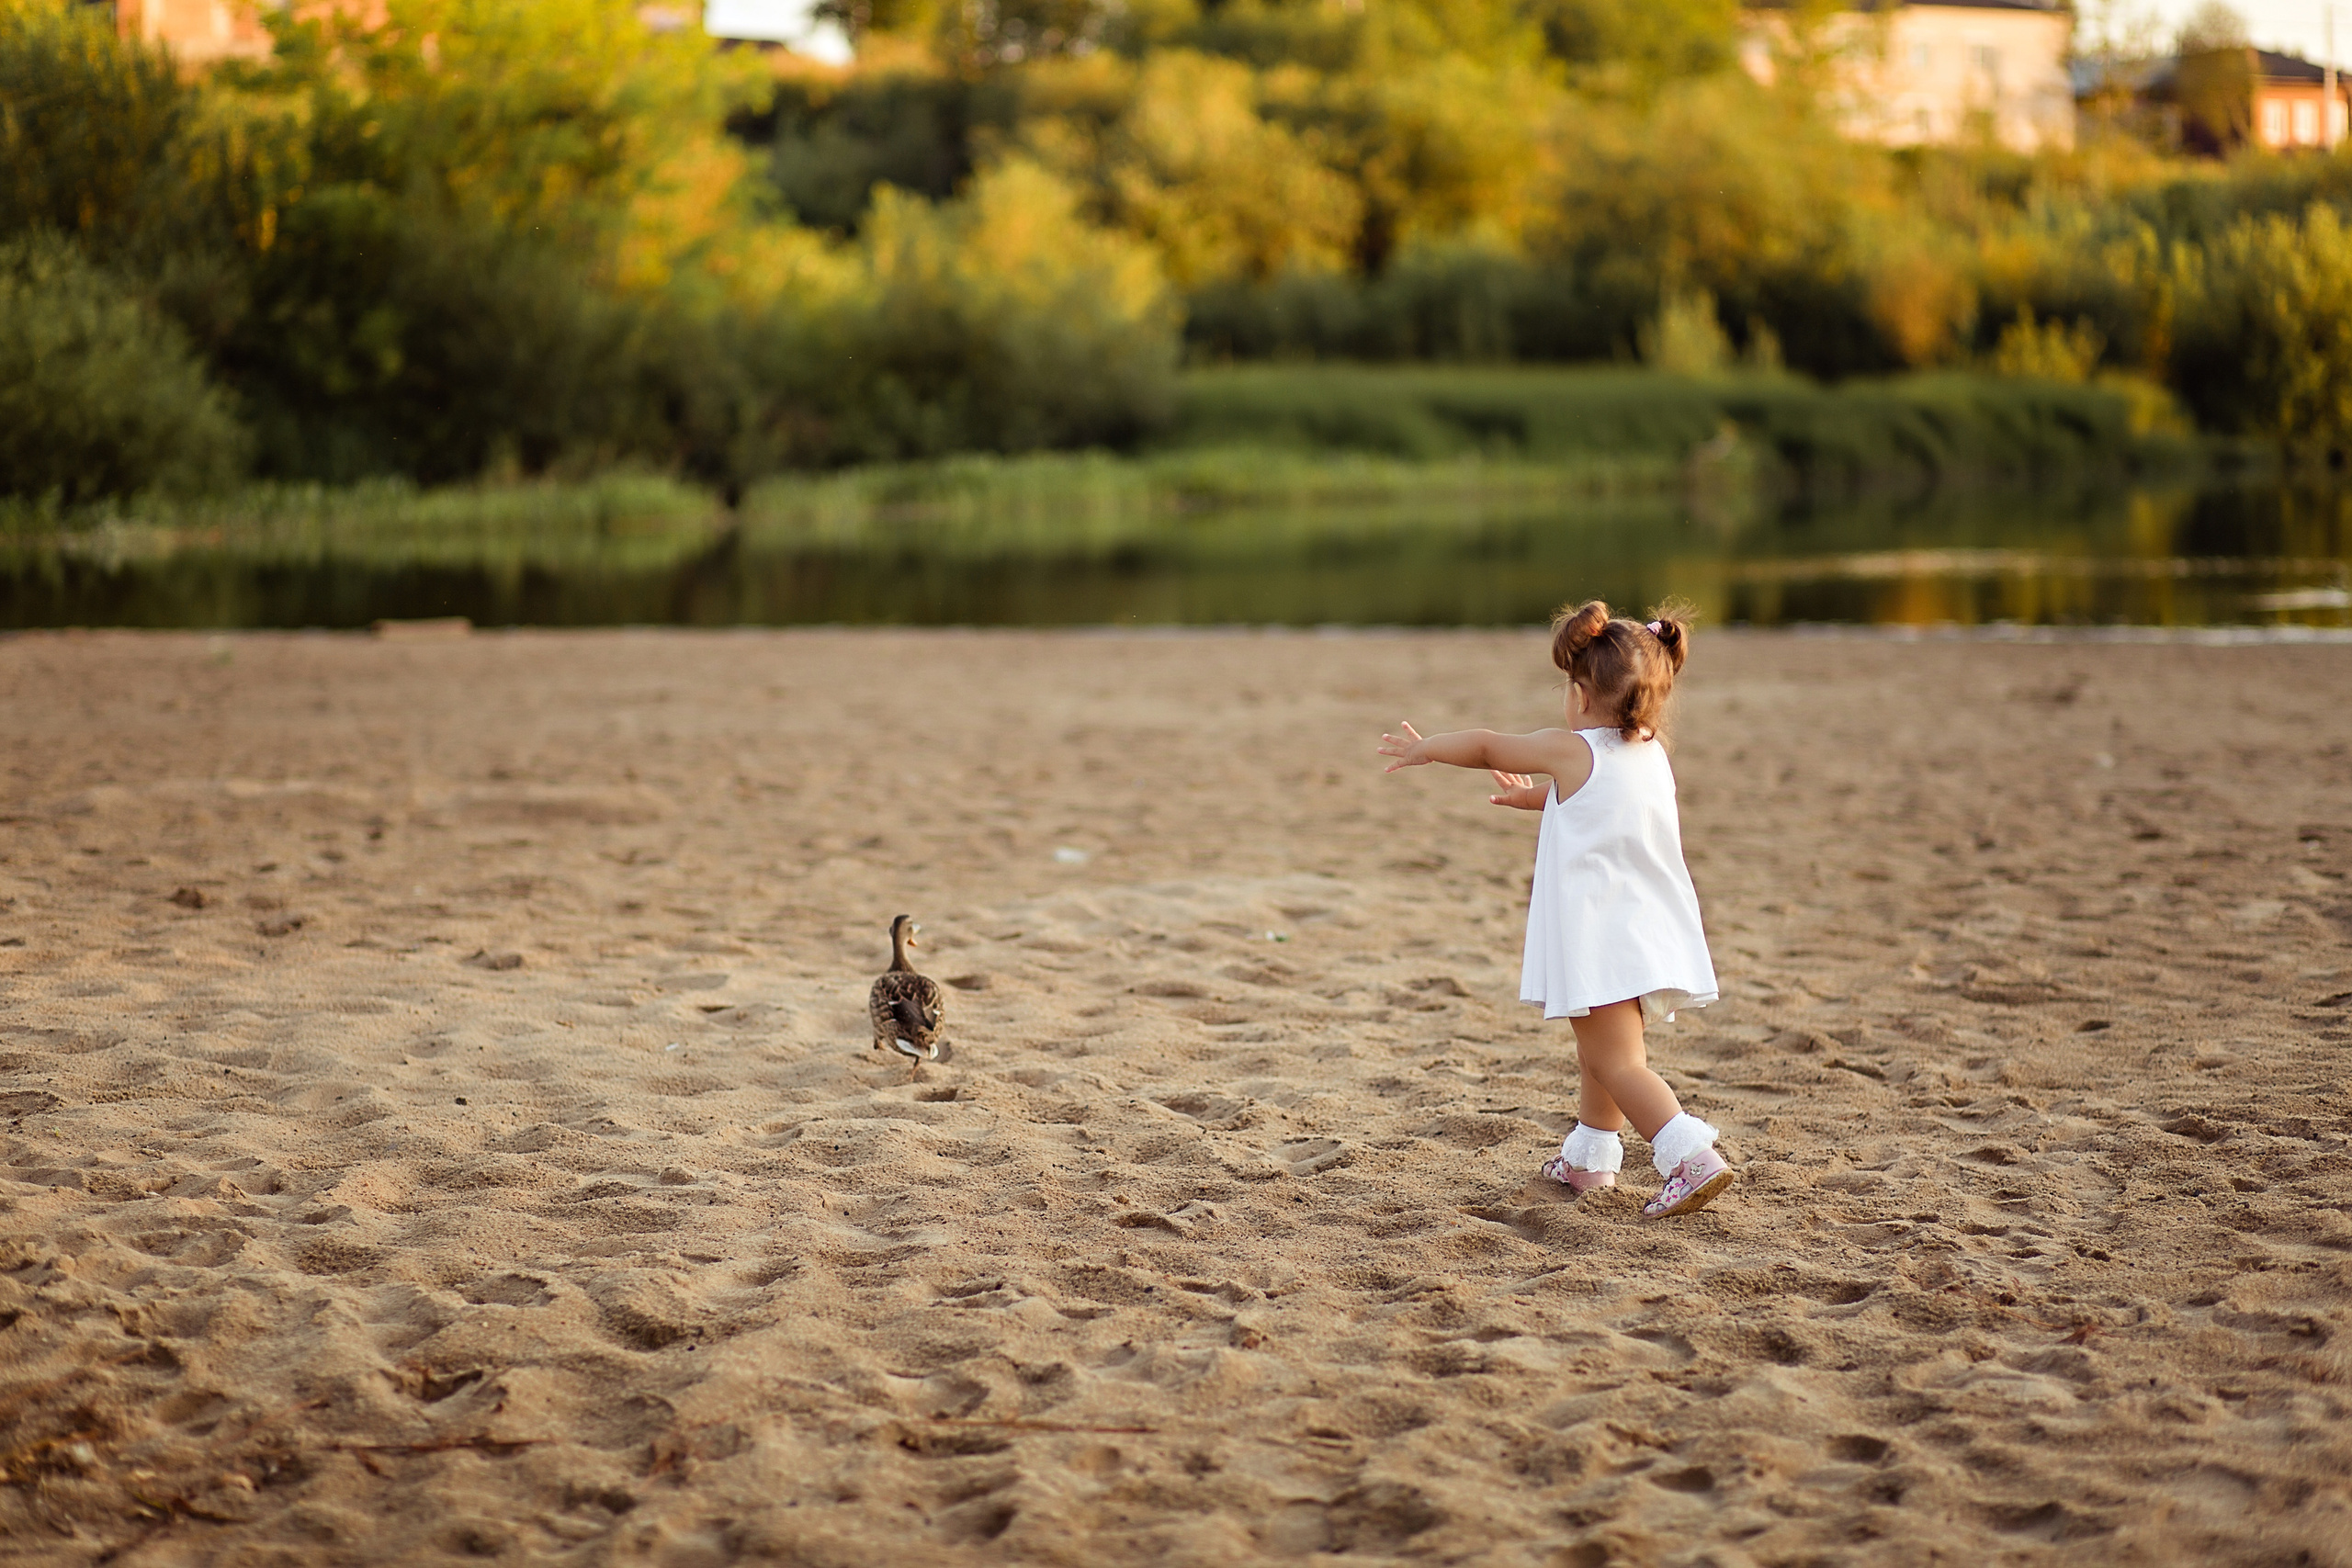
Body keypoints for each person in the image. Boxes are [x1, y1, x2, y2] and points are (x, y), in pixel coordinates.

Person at [1376, 600, 1729, 1219]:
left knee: (1617, 1060)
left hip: (1600, 933)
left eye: (1571, 687)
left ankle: (1688, 1155)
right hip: (1643, 929)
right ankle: (1591, 1159)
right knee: (1600, 1052)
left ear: (1584, 696)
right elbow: (1594, 800)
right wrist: (1531, 801)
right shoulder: (1647, 750)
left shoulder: (1573, 748)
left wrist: (1428, 747)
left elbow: (1489, 744)